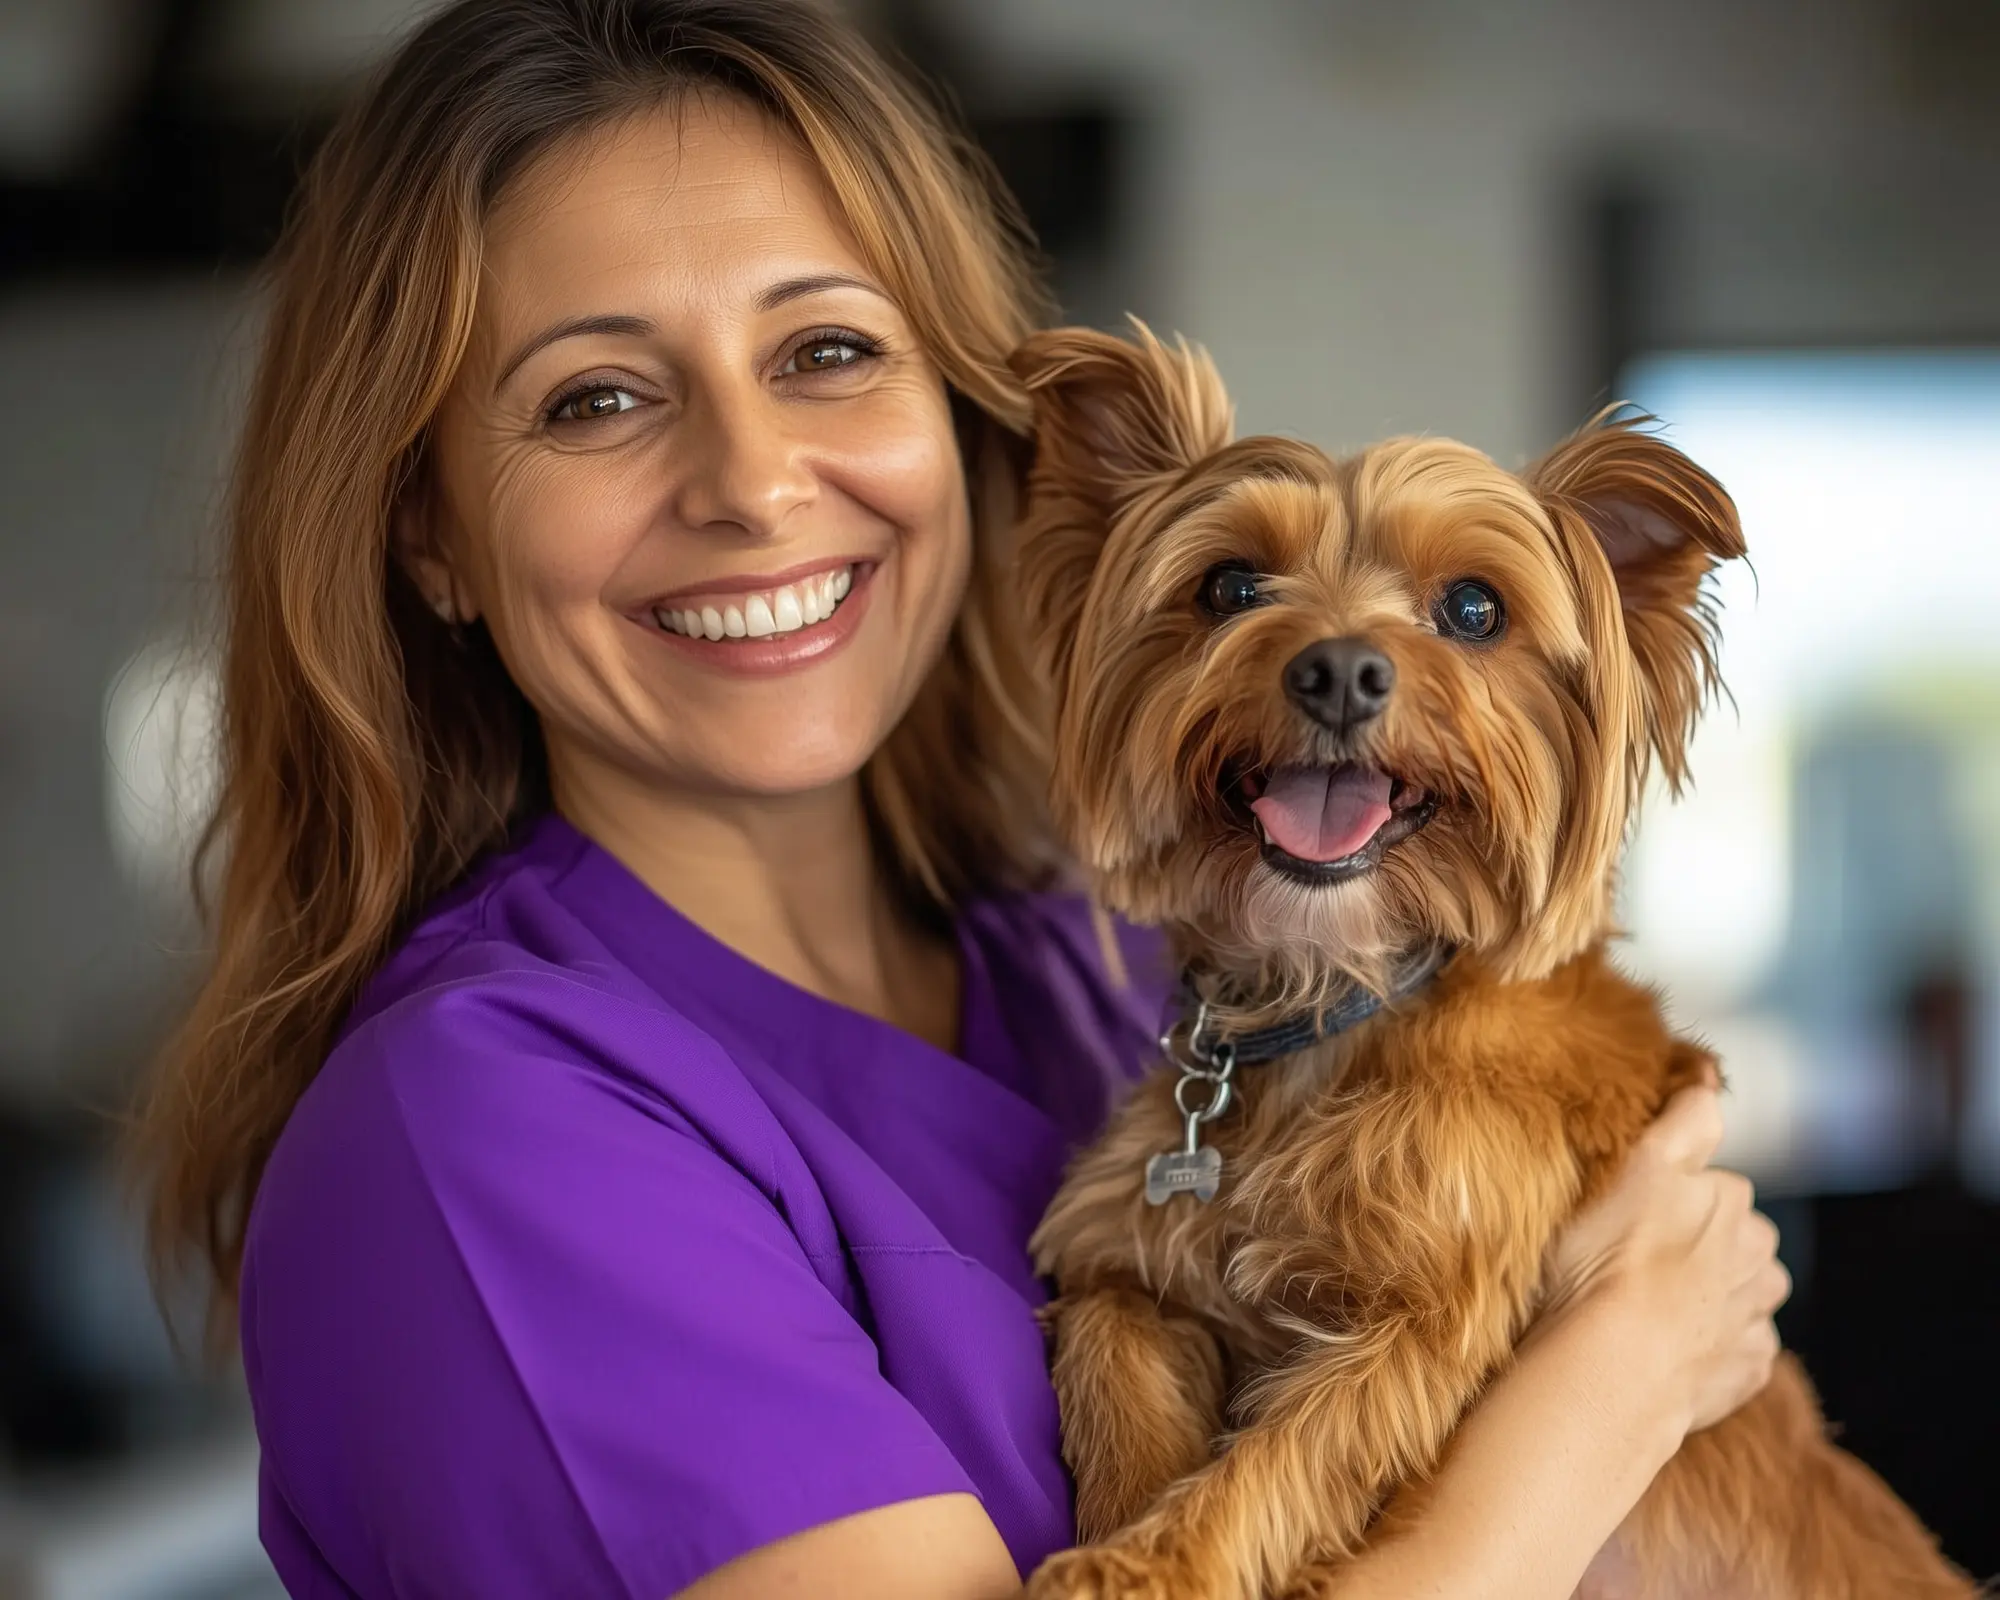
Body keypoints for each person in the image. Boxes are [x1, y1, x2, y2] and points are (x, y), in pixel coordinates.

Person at [133, 2, 1790, 1596]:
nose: (753, 482)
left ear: (960, 427)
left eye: (830, 350)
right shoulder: (484, 1130)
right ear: (428, 530)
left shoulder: (1119, 973)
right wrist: (1611, 1385)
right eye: (599, 397)